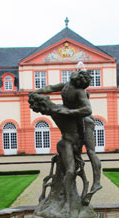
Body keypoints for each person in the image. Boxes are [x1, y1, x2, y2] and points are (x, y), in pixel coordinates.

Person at [32, 70, 102, 198]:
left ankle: (97, 182)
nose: (74, 74)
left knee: (91, 151)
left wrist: (70, 112)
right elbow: (50, 88)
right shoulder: (66, 85)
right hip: (73, 120)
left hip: (86, 122)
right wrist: (37, 91)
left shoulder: (79, 91)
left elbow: (88, 109)